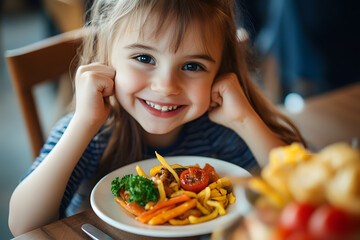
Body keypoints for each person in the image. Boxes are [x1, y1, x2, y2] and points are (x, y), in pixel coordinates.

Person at [8, 0, 304, 236]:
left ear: (220, 73)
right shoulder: (93, 131)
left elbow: (303, 190)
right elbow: (22, 225)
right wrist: (83, 124)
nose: (166, 86)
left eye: (192, 65)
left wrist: (244, 120)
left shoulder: (220, 128)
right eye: (144, 58)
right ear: (107, 57)